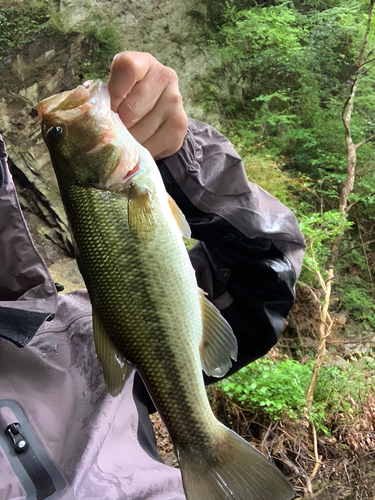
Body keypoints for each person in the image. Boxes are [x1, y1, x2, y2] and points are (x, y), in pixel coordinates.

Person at [0, 51, 305, 500]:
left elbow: (264, 270)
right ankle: (204, 445)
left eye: (56, 135)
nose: (58, 126)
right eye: (60, 134)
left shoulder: (68, 333)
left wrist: (176, 155)